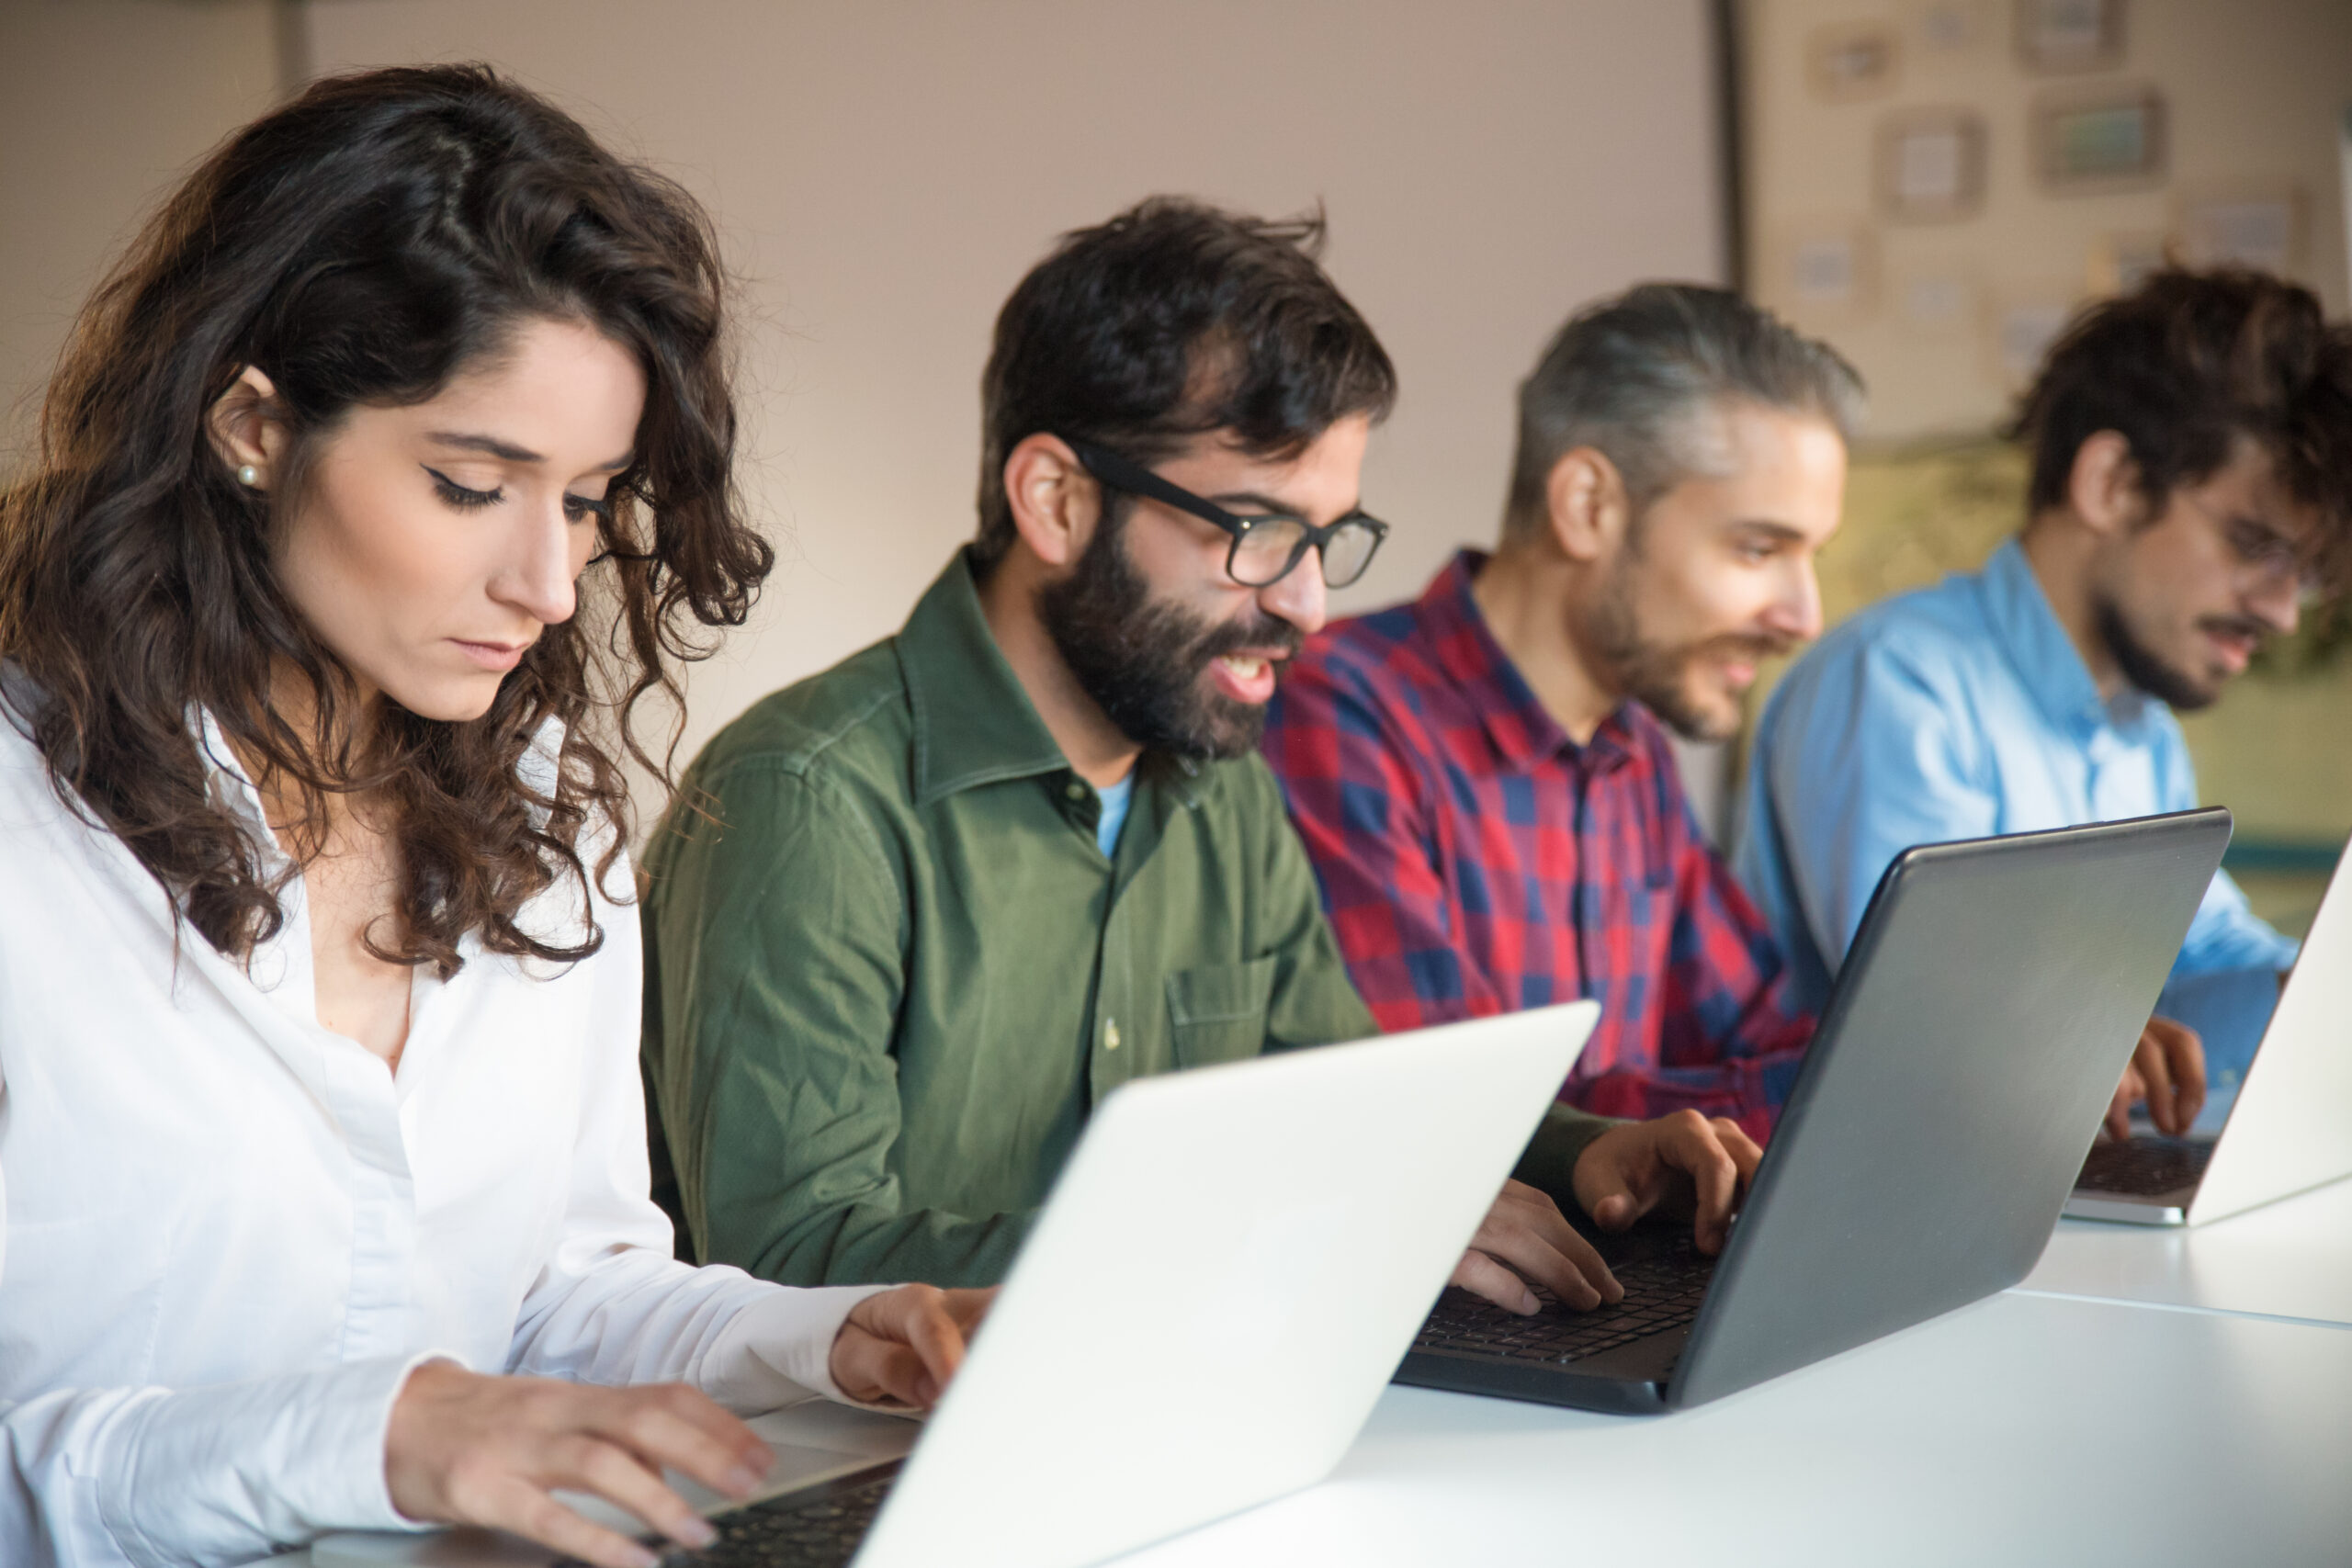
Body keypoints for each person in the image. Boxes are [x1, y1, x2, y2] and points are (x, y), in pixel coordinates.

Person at [0, 67, 988, 1568]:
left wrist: (844, 1337)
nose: (549, 581)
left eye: (589, 501)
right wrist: (380, 1436)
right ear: (251, 424)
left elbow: (556, 1297)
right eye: (474, 483)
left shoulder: (544, 826)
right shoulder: (29, 840)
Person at [643, 201, 1759, 1325]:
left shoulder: (1220, 785)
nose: (1308, 602)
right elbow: (789, 1260)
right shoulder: (806, 799)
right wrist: (1305, 1232)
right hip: (861, 1463)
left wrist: (1595, 1156)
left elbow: (1351, 1102)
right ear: (1058, 501)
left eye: (1326, 538)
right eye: (1257, 533)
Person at [1737, 268, 2352, 1139]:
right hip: (1898, 1188)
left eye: (2303, 571)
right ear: (2110, 482)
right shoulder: (1896, 683)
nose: (2283, 612)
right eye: (2251, 543)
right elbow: (1941, 1013)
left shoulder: (2144, 730)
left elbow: (2198, 954)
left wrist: (2319, 991)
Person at [1262, 285, 1855, 1140]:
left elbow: (1769, 1041)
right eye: (1758, 548)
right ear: (1588, 506)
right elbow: (1461, 1130)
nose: (1804, 615)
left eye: (1812, 557)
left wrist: (1920, 1075)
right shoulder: (1337, 715)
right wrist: (1867, 1092)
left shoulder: (1632, 748)